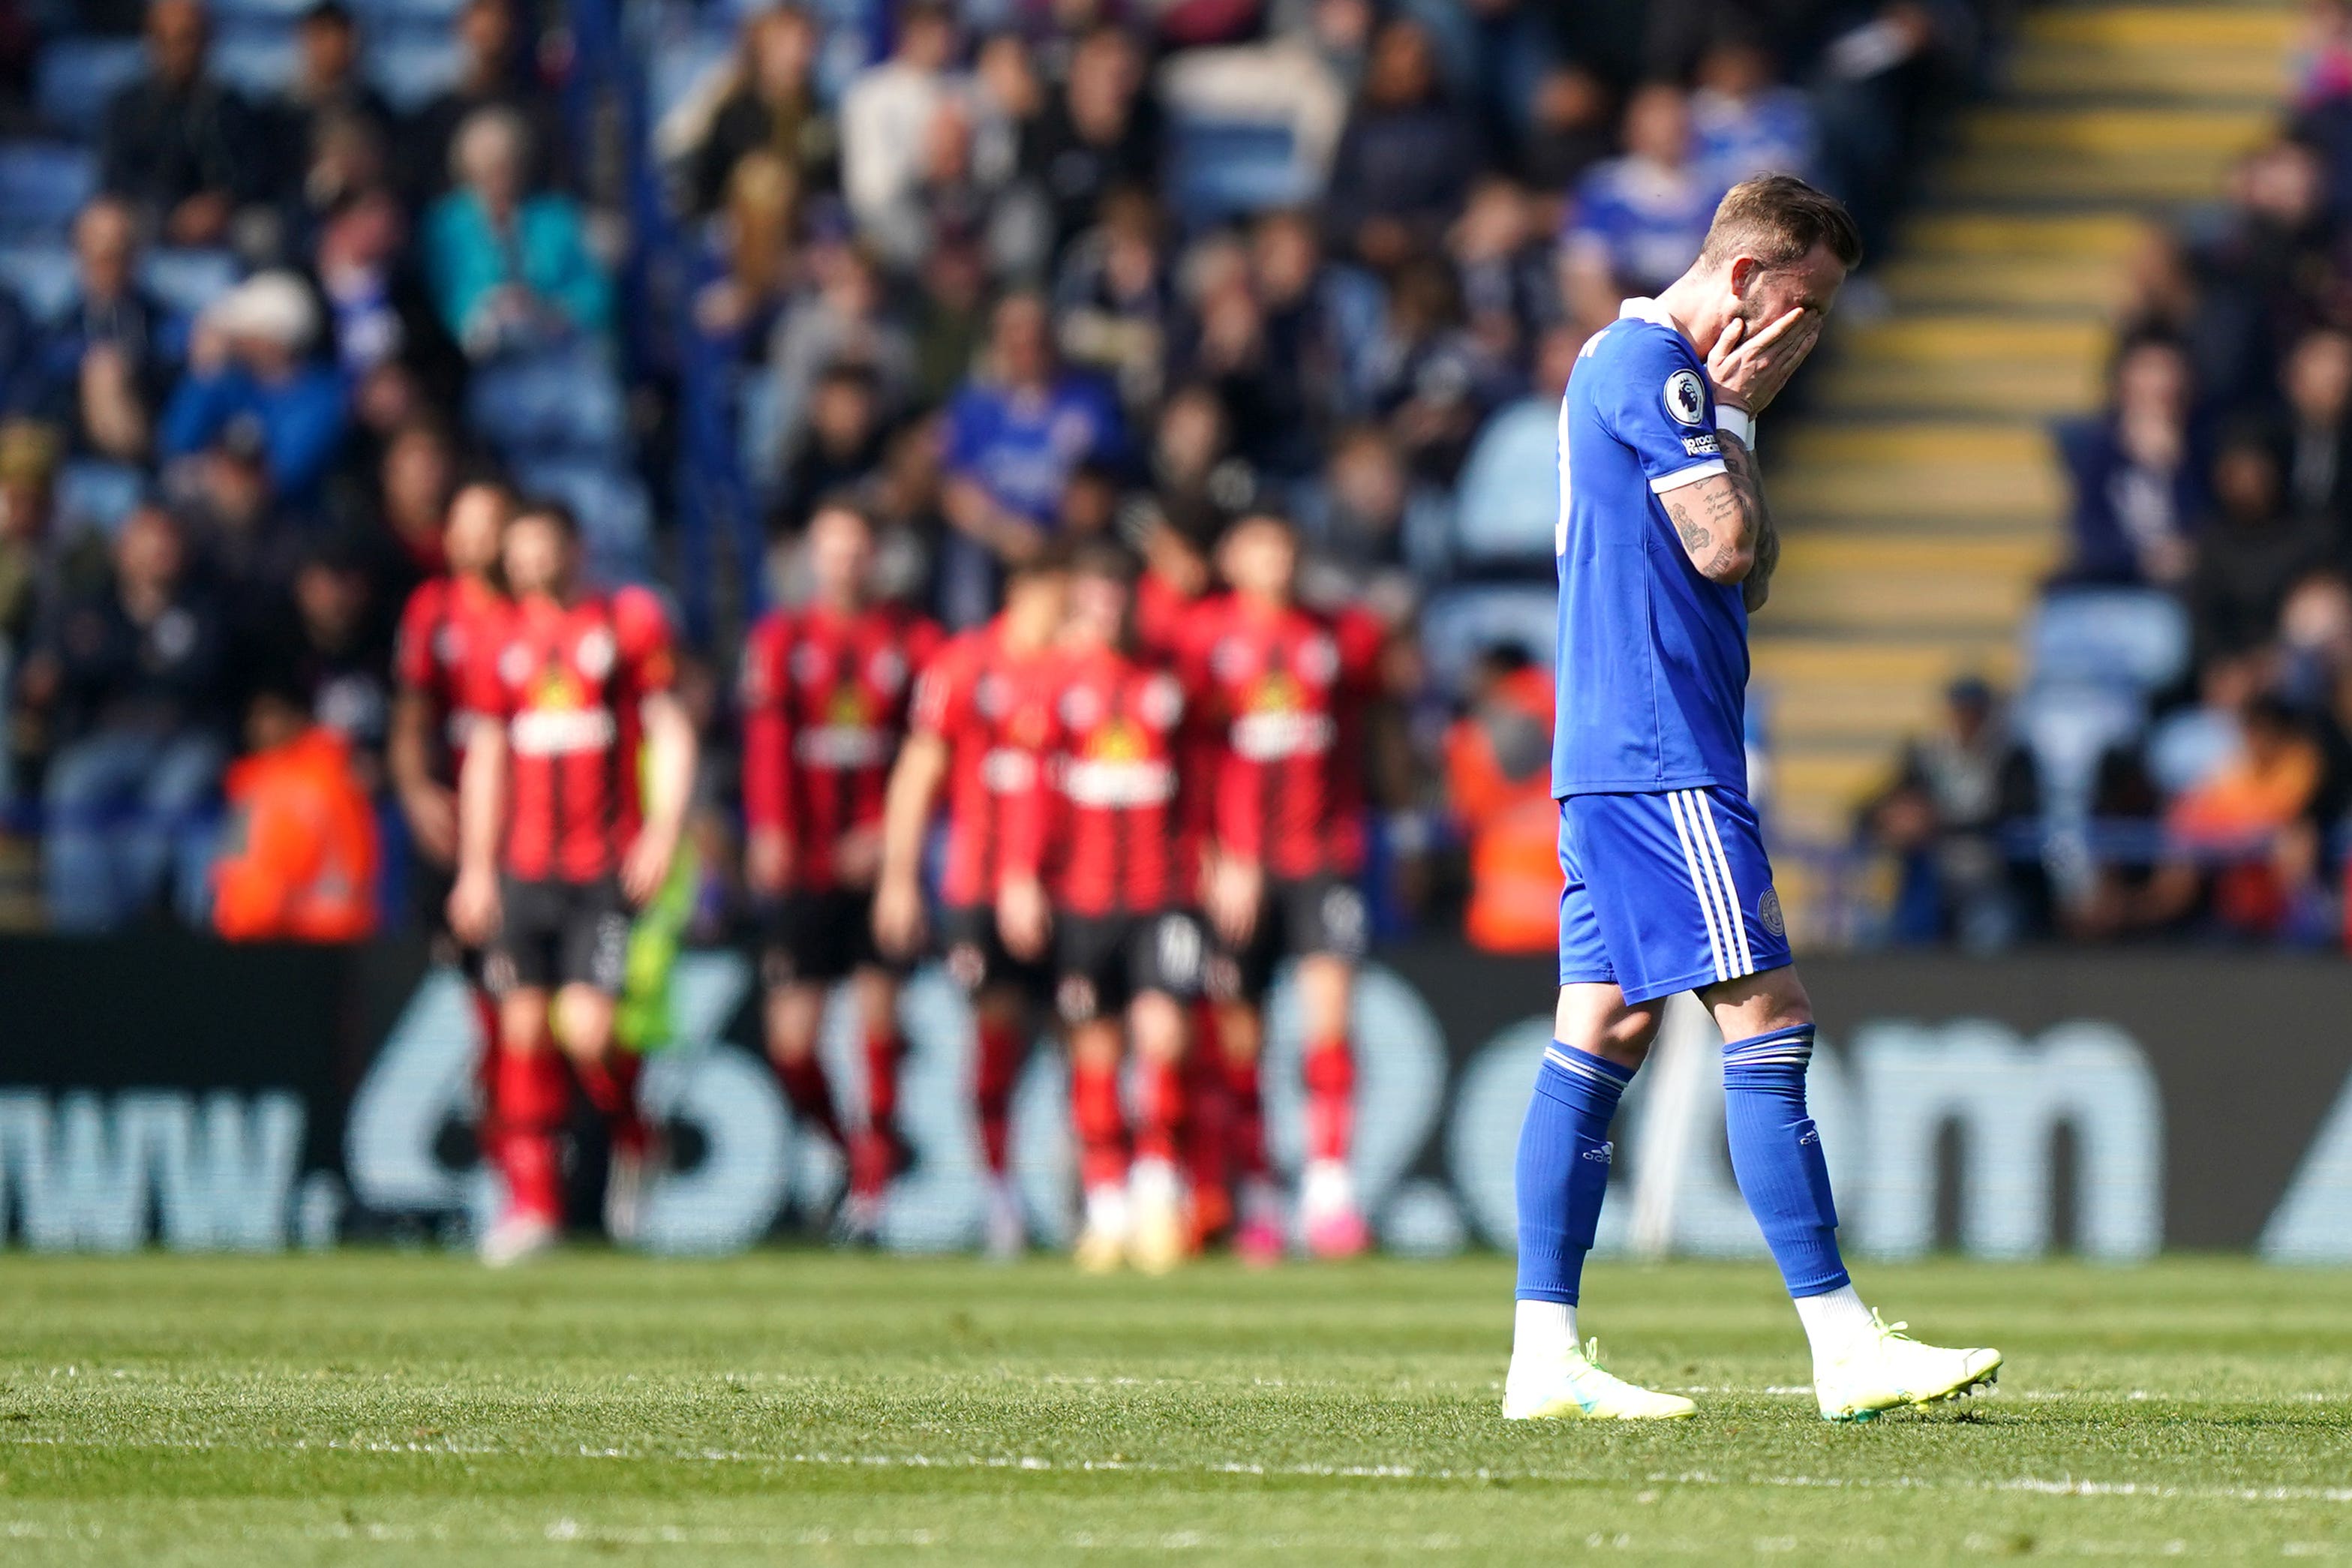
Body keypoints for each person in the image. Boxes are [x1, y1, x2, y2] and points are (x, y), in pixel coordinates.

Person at [1509, 173, 2001, 1422]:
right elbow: (1731, 548)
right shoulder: (1656, 369)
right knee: (1768, 1013)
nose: (1808, 334)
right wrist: (1729, 412)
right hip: (1662, 747)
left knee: (1603, 1033)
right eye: (1807, 305)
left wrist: (1735, 431)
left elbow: (1749, 571)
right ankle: (1843, 1347)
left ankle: (1543, 1355)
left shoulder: (1656, 384)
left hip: (1617, 754)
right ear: (1745, 280)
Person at [448, 498, 695, 1266]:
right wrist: (475, 867)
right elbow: (487, 756)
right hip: (524, 867)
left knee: (587, 1029)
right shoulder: (496, 641)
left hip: (600, 867)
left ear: (573, 547)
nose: (528, 563)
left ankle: (634, 1135)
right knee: (521, 1027)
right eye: (517, 552)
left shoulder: (624, 625)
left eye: (541, 547)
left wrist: (661, 831)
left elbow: (672, 729)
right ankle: (533, 1207)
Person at [1177, 511, 1383, 1261]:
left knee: (1329, 1022)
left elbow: (1374, 725)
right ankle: (1259, 1194)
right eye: (1260, 543)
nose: (1277, 557)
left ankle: (1329, 1192)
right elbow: (1188, 759)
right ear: (1231, 556)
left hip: (1325, 853)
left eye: (1286, 542)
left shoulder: (1339, 634)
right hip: (1238, 867)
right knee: (1241, 1038)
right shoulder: (1203, 639)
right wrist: (1212, 855)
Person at [740, 501, 943, 1242]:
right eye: (830, 550)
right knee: (792, 1042)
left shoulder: (913, 642)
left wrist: (893, 842)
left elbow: (935, 754)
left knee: (878, 1017)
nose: (844, 564)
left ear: (876, 556)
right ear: (810, 560)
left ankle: (874, 1192)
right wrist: (766, 830)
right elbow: (765, 746)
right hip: (806, 864)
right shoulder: (781, 641)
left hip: (882, 865)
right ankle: (849, 1148)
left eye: (856, 549)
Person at [1003, 543, 1200, 1275]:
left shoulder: (1166, 676)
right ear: (1081, 598)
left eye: (1121, 589)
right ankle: (1106, 1208)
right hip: (1082, 897)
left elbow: (1202, 772)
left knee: (1165, 1036)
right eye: (1097, 589)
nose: (1109, 603)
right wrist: (1021, 875)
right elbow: (1029, 788)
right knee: (1095, 1051)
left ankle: (1157, 1197)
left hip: (1162, 892)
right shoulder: (1055, 682)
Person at [873, 550, 1069, 1257]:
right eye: (1056, 592)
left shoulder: (1080, 668)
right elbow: (919, 769)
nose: (1066, 608)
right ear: (1021, 591)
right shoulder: (964, 666)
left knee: (1088, 1040)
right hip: (978, 888)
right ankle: (1001, 1198)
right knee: (995, 1042)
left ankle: (1091, 1190)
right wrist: (898, 877)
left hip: (1075, 886)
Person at [24, 504, 228, 930]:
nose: (160, 550)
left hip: (184, 742)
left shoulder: (207, 608)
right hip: (107, 740)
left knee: (179, 794)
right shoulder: (88, 608)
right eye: (147, 539)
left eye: (168, 540)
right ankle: (86, 937)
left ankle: (124, 919)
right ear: (122, 550)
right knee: (73, 783)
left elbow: (202, 672)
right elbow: (67, 669)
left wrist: (120, 663)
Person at [389, 479, 512, 1133]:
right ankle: (490, 1116)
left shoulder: (532, 610)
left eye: (487, 523)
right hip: (451, 821)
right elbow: (409, 718)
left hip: (525, 827)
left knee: (517, 977)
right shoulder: (432, 611)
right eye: (462, 525)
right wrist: (414, 792)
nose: (473, 539)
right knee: (460, 973)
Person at [422, 107, 613, 359]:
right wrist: (489, 312)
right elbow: (449, 294)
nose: (502, 179)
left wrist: (555, 311)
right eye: (490, 170)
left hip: (562, 353)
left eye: (509, 167)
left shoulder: (556, 215)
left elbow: (594, 290)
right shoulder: (447, 225)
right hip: (486, 363)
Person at [211, 680, 377, 942]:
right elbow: (235, 860)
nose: (261, 726)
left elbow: (351, 860)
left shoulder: (332, 773)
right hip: (255, 933)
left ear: (297, 717)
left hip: (324, 934)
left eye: (270, 715)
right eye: (255, 717)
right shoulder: (245, 780)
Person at [98, 0, 254, 247]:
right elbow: (117, 176)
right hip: (151, 215)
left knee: (259, 230)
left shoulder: (231, 106)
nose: (179, 50)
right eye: (167, 39)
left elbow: (252, 171)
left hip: (223, 219)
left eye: (189, 38)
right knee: (109, 224)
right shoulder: (126, 107)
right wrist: (173, 212)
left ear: (207, 41)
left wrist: (220, 204)